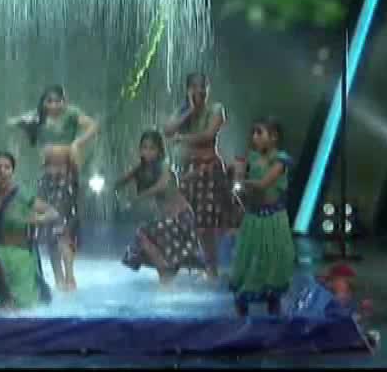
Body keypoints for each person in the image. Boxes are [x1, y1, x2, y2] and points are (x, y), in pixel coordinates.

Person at [8, 84, 98, 291]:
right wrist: (22, 122)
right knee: (49, 231)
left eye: (58, 101)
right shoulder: (38, 117)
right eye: (49, 101)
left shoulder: (71, 114)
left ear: (65, 101)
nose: (54, 105)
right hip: (46, 180)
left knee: (63, 228)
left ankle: (70, 278)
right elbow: (13, 122)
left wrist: (77, 143)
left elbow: (93, 126)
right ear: (44, 103)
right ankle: (58, 280)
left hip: (66, 179)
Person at [163, 72, 241, 279]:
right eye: (195, 87)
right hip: (188, 172)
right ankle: (182, 263)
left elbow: (208, 135)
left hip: (209, 170)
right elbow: (167, 130)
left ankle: (212, 269)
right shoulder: (183, 111)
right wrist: (189, 112)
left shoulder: (216, 109)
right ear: (188, 90)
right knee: (182, 218)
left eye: (203, 86)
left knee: (208, 224)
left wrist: (181, 138)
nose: (200, 91)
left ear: (208, 88)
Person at [116, 130, 204, 285]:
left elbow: (162, 184)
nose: (148, 152)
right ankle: (166, 280)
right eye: (144, 148)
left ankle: (165, 270)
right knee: (157, 252)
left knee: (143, 234)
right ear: (140, 150)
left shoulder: (164, 166)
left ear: (159, 151)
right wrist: (113, 188)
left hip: (181, 218)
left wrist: (138, 197)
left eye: (152, 148)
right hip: (168, 220)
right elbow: (120, 182)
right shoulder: (141, 168)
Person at [229, 117, 295, 316]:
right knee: (248, 260)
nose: (254, 137)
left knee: (272, 261)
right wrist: (237, 174)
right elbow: (240, 191)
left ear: (273, 137)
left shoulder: (281, 160)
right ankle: (241, 319)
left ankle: (274, 317)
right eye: (253, 133)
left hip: (273, 220)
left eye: (259, 133)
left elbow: (264, 184)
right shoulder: (251, 158)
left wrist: (241, 179)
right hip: (253, 218)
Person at [0, 151, 58, 311]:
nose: (2, 171)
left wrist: (37, 219)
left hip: (20, 255)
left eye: (7, 167)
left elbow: (53, 213)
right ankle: (4, 298)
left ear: (12, 171)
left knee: (25, 306)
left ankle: (10, 300)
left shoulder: (22, 194)